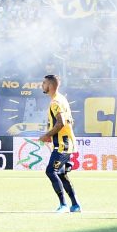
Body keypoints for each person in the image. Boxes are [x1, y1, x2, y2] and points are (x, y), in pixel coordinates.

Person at [39, 74, 80, 213]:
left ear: (50, 85)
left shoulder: (55, 102)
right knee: (61, 174)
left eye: (44, 83)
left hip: (63, 145)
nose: (42, 85)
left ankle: (63, 205)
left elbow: (61, 122)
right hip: (68, 143)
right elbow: (70, 121)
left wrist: (47, 135)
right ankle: (75, 205)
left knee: (51, 171)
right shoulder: (62, 99)